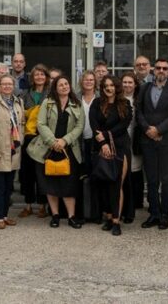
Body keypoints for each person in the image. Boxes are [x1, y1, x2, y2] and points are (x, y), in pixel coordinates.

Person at [26, 74, 85, 228]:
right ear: (55, 88)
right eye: (61, 85)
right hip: (48, 148)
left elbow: (80, 126)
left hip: (69, 149)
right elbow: (41, 123)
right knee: (50, 183)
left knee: (69, 184)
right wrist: (53, 141)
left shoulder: (76, 104)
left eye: (66, 83)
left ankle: (71, 216)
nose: (64, 86)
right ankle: (55, 215)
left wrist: (65, 140)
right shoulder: (48, 102)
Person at [135, 57, 168, 229]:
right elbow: (139, 111)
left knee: (167, 179)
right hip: (148, 140)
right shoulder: (144, 88)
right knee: (152, 179)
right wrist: (148, 129)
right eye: (158, 68)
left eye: (164, 68)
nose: (161, 71)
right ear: (153, 70)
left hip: (167, 141)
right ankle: (153, 213)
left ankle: (164, 214)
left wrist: (159, 130)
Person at [90, 75, 133, 236]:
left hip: (120, 147)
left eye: (112, 85)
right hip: (101, 147)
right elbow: (93, 123)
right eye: (106, 86)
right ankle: (108, 217)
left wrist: (105, 137)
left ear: (117, 87)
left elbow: (123, 125)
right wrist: (102, 143)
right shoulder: (96, 103)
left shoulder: (125, 104)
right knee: (104, 183)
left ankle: (116, 220)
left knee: (116, 183)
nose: (109, 88)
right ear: (102, 88)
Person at [0, 74, 25, 228]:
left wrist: (20, 141)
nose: (7, 87)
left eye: (10, 84)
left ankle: (6, 214)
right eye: (4, 84)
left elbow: (21, 123)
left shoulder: (18, 102)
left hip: (13, 152)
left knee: (8, 187)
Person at [18, 64, 49, 218]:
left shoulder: (51, 94)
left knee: (42, 172)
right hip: (29, 138)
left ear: (46, 77)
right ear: (32, 77)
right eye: (36, 75)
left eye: (42, 74)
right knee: (27, 173)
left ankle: (43, 205)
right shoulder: (24, 94)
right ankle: (28, 205)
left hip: (44, 138)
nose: (39, 77)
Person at [120, 72, 145, 224]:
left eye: (130, 82)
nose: (127, 85)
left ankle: (137, 202)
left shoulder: (139, 100)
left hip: (136, 138)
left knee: (135, 170)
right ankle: (125, 204)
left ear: (135, 85)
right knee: (123, 171)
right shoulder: (118, 99)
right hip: (121, 138)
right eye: (125, 82)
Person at [77, 69, 100, 222]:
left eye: (91, 80)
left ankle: (96, 213)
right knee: (81, 177)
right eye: (86, 80)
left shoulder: (100, 98)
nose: (89, 82)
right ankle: (82, 213)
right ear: (81, 82)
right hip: (79, 142)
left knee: (97, 177)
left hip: (96, 142)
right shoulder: (76, 98)